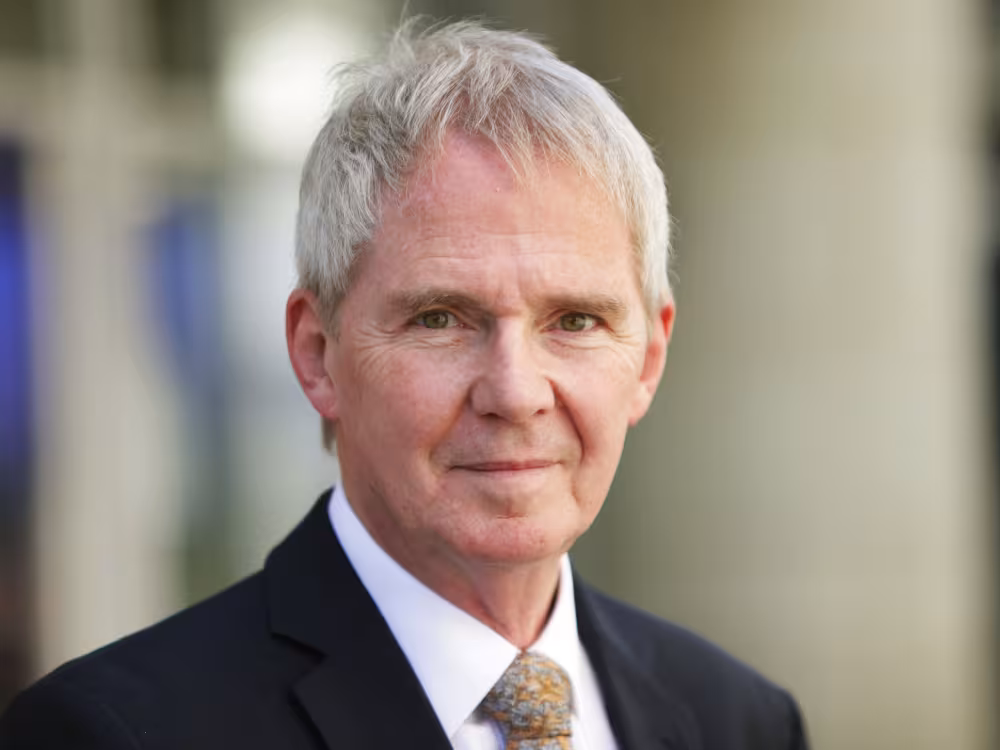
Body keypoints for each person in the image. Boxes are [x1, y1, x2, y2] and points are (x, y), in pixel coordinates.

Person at [0, 20, 809, 750]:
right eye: (441, 319)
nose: (516, 392)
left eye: (574, 321)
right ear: (318, 354)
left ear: (649, 359)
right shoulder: (111, 734)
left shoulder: (739, 720)